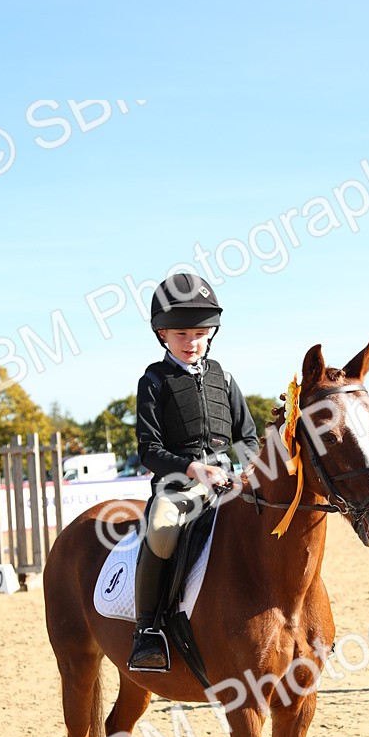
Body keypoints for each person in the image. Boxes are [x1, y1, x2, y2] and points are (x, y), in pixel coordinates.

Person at [128, 273, 259, 672]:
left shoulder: (225, 377)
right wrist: (191, 467)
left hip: (227, 483)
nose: (191, 343)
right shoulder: (153, 381)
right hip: (178, 485)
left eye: (199, 333)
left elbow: (247, 436)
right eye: (181, 334)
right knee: (163, 526)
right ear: (163, 334)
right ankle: (148, 630)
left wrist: (246, 467)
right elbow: (148, 450)